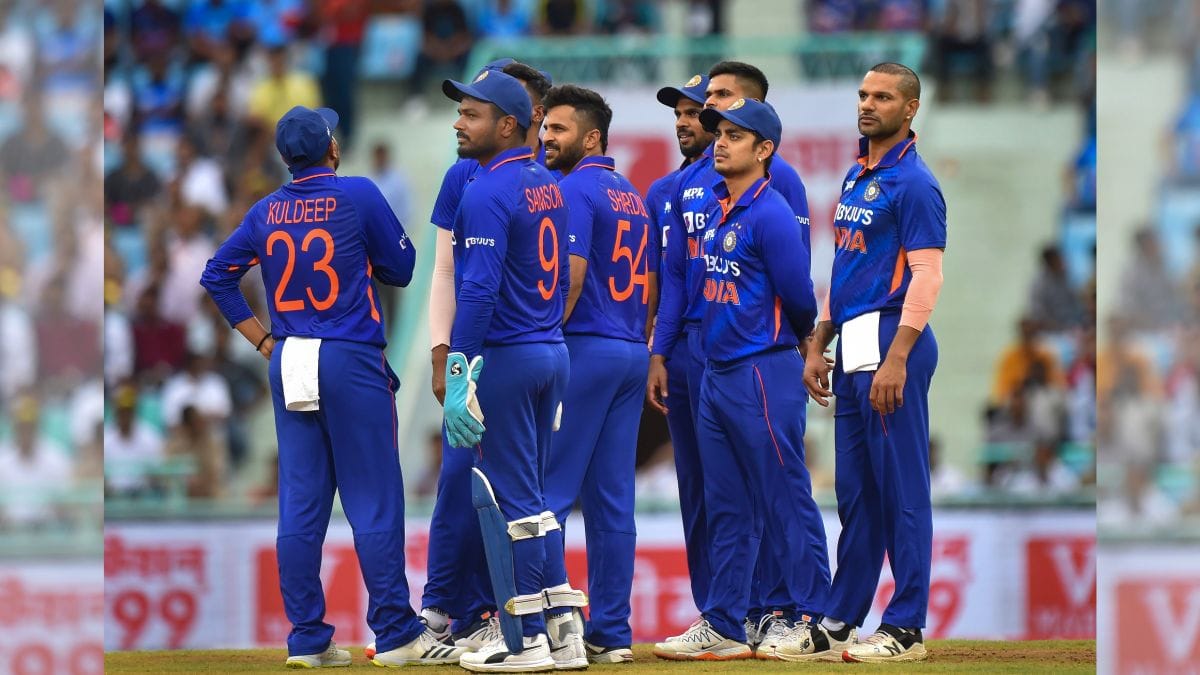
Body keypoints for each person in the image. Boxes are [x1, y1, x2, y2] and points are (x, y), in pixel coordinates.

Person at [199, 106, 462, 668]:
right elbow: (403, 270)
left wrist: (264, 342)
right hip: (348, 356)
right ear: (332, 149)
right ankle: (395, 632)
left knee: (300, 502)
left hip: (289, 354)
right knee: (373, 499)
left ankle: (308, 639)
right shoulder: (359, 194)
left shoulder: (267, 209)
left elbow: (216, 276)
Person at [647, 60, 818, 652]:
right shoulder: (701, 196)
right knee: (718, 497)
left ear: (761, 142)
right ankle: (725, 618)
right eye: (710, 122)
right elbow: (675, 277)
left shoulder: (774, 197)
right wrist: (662, 350)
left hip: (758, 360)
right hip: (710, 357)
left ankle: (800, 613)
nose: (709, 127)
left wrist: (805, 344)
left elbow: (798, 291)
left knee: (780, 487)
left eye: (726, 122)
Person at [802, 62, 946, 663]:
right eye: (862, 94)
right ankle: (841, 618)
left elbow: (927, 273)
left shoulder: (914, 183)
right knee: (858, 493)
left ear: (910, 108)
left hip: (893, 340)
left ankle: (907, 624)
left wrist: (899, 357)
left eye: (882, 96)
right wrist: (819, 338)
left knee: (902, 488)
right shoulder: (858, 175)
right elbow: (848, 270)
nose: (868, 104)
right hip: (854, 339)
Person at [415, 59, 556, 655]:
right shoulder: (468, 176)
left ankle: (521, 623)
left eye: (476, 110)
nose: (462, 122)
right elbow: (445, 269)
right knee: (463, 481)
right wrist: (440, 350)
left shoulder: (525, 177)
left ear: (520, 119)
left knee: (515, 491)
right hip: (508, 351)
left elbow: (494, 285)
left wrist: (462, 364)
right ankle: (449, 606)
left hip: (509, 353)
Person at [541, 84, 656, 663]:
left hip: (584, 348)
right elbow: (653, 283)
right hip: (630, 349)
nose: (545, 137)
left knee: (551, 490)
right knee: (613, 499)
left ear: (591, 138)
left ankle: (560, 627)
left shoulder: (574, 189)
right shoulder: (632, 193)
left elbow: (572, 274)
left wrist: (543, 334)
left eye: (558, 129)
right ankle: (613, 631)